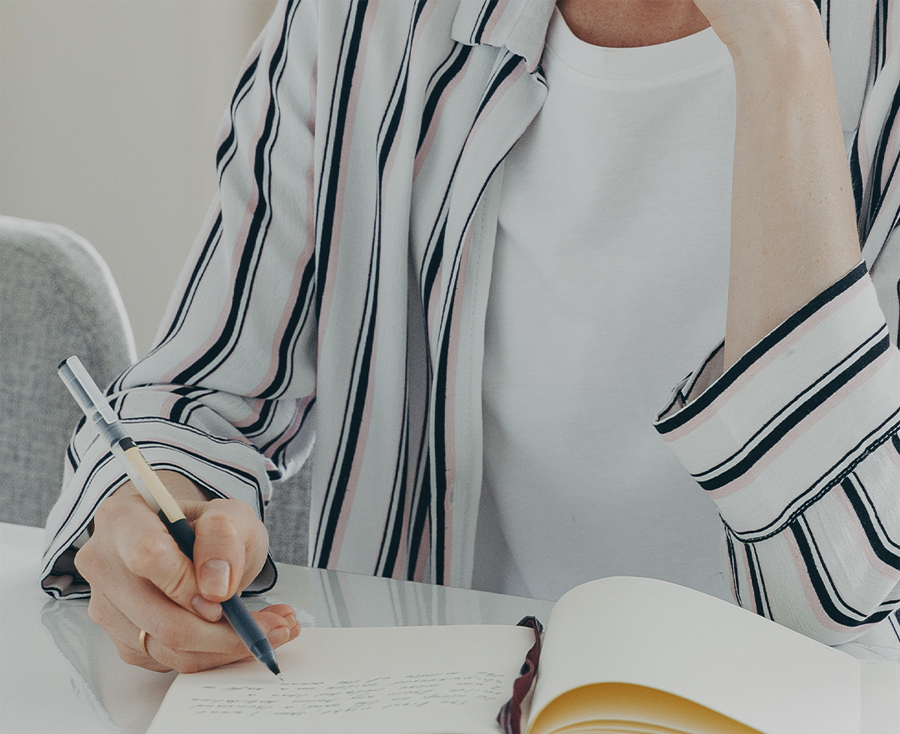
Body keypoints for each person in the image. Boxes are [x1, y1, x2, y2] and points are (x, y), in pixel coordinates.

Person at [41, 0, 900, 673]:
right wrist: (154, 524)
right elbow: (196, 394)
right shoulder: (358, 21)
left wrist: (782, 50)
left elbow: (838, 605)